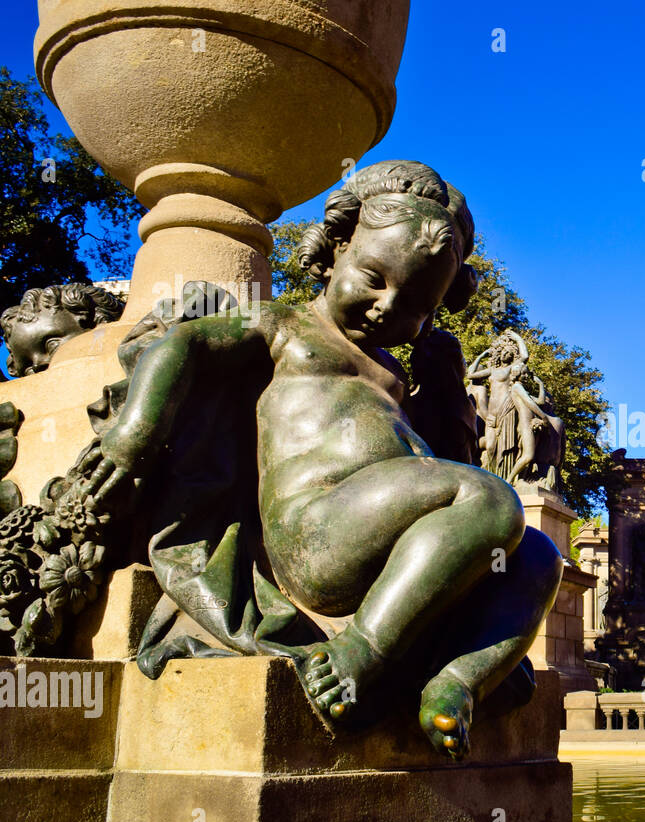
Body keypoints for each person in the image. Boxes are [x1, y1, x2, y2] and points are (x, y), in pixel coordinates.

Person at [87, 161, 564, 760]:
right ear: (336, 249)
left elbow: (446, 464)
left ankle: (457, 683)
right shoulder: (288, 325)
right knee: (491, 499)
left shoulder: (398, 374)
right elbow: (184, 343)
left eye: (418, 302)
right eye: (373, 277)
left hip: (397, 549)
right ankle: (360, 651)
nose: (388, 307)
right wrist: (134, 432)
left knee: (540, 555)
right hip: (317, 534)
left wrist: (446, 389)